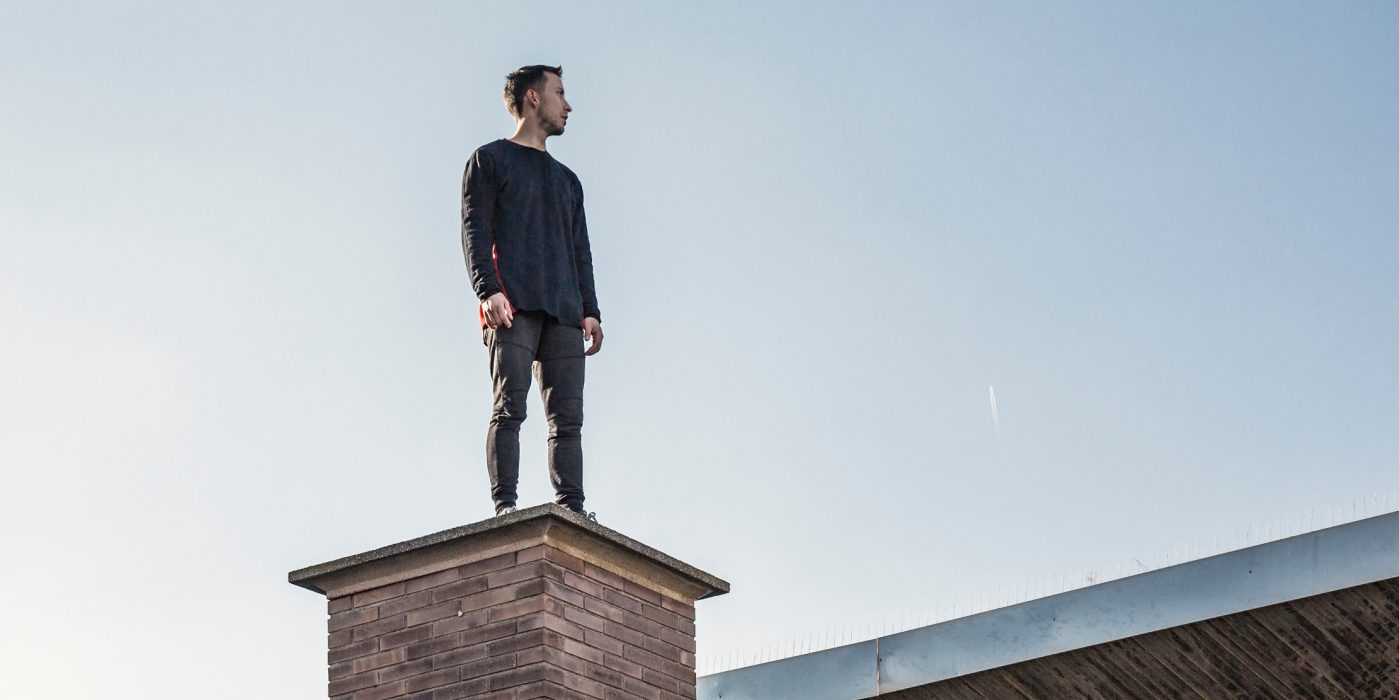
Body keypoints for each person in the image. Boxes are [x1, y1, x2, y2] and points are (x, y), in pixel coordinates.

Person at [461, 65, 603, 518]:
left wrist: (591, 310)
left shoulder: (568, 181)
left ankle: (574, 511)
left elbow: (580, 249)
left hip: (564, 312)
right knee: (510, 409)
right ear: (533, 98)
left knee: (569, 422)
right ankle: (505, 508)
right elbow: (475, 232)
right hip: (512, 305)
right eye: (559, 93)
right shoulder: (489, 160)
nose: (569, 104)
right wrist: (488, 290)